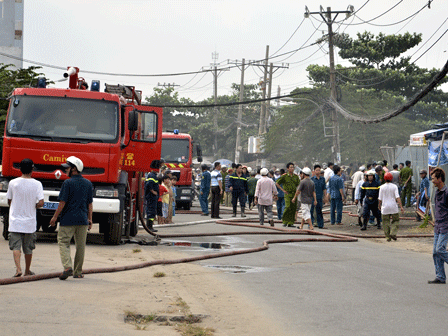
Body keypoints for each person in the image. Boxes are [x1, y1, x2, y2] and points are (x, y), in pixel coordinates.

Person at [50, 156, 93, 280]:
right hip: (82, 220)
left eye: (67, 168)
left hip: (68, 219)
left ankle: (67, 267)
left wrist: (54, 217)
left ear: (74, 169)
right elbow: (90, 204)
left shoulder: (67, 183)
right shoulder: (88, 183)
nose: (65, 171)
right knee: (81, 246)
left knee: (63, 242)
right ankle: (78, 272)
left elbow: (62, 203)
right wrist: (90, 219)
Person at [7, 158, 44, 277]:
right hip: (30, 222)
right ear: (32, 169)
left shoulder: (13, 183)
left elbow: (9, 200)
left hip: (15, 221)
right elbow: (41, 202)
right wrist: (35, 205)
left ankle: (18, 269)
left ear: (20, 169)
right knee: (28, 248)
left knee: (16, 247)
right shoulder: (37, 184)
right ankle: (27, 270)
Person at [428, 168, 448, 284]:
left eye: (434, 178)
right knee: (435, 253)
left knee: (440, 249)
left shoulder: (446, 192)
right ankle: (440, 276)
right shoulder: (437, 192)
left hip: (445, 225)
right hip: (438, 225)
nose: (432, 181)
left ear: (439, 179)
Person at [379, 172, 404, 241]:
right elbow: (397, 197)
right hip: (393, 207)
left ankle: (388, 237)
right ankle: (393, 233)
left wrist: (379, 206)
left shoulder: (382, 187)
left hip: (385, 208)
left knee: (385, 222)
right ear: (391, 178)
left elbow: (380, 199)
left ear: (384, 178)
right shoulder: (394, 186)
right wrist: (401, 207)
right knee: (395, 220)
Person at [276, 162, 300, 227]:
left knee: (293, 208)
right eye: (291, 167)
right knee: (287, 207)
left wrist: (297, 193)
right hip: (287, 194)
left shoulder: (296, 177)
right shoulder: (284, 176)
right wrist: (283, 190)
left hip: (294, 194)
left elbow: (298, 185)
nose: (292, 168)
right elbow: (277, 183)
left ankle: (291, 222)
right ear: (287, 168)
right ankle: (285, 221)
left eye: (293, 167)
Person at [311, 165, 327, 229]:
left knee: (319, 211)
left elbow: (324, 188)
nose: (318, 171)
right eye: (316, 170)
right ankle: (311, 224)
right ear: (314, 171)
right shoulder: (312, 179)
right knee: (311, 211)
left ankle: (320, 224)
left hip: (320, 197)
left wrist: (325, 196)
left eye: (319, 170)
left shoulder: (322, 179)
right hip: (313, 197)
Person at [144, 167, 159, 232]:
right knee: (151, 211)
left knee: (152, 211)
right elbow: (149, 184)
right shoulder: (152, 175)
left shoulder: (153, 175)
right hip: (151, 196)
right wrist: (153, 191)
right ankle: (149, 226)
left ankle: (150, 226)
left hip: (152, 196)